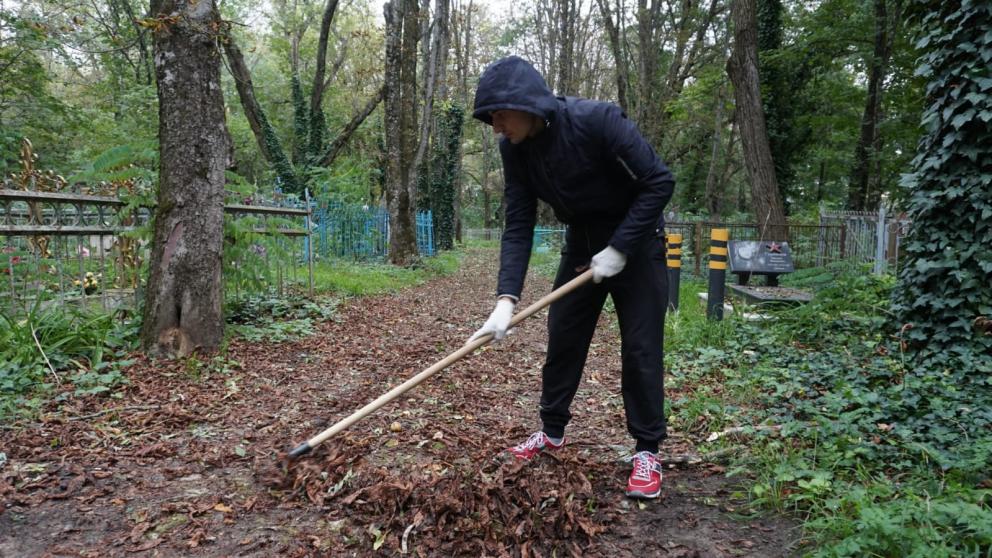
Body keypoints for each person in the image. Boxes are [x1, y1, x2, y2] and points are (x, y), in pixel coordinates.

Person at [467, 56, 676, 499]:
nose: (496, 127)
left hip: (637, 246)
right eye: (490, 119)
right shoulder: (515, 150)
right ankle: (551, 431)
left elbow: (659, 182)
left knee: (640, 347)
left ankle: (646, 450)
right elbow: (519, 222)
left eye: (499, 115)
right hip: (581, 248)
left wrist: (620, 247)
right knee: (563, 337)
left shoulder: (597, 121)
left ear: (526, 104)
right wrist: (506, 298)